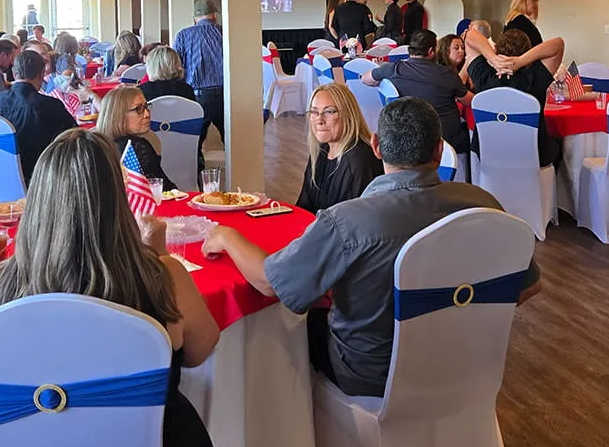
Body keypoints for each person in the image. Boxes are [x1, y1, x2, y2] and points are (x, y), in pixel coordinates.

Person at [203, 97, 539, 398]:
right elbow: (529, 285)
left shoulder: (348, 221)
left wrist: (227, 236)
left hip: (372, 375)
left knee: (288, 326)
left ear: (376, 147)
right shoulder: (485, 205)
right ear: (439, 150)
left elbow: (269, 282)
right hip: (465, 362)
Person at [0, 129, 217, 447]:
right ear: (118, 200)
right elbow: (201, 349)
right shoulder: (163, 277)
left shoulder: (0, 284)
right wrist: (158, 258)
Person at [464, 26, 565, 168]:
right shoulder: (534, 78)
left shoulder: (484, 76)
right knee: (558, 145)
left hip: (490, 155)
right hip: (533, 156)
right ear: (529, 51)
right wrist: (521, 61)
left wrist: (493, 59)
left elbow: (469, 36)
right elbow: (558, 44)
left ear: (497, 49)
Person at [368, 29, 469, 155]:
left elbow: (365, 79)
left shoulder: (394, 69)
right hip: (446, 142)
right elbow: (470, 101)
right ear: (431, 51)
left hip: (408, 141)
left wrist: (384, 84)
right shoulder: (447, 74)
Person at [0, 49, 77, 183]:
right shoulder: (50, 105)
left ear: (14, 73)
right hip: (45, 177)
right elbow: (74, 137)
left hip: (4, 175)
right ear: (42, 74)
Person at [296, 84, 382, 213]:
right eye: (314, 112)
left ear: (348, 115)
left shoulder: (360, 159)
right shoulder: (322, 151)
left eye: (329, 111)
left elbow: (353, 222)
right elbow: (304, 206)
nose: (319, 120)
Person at [96, 87, 178, 190]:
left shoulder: (99, 145)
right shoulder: (137, 147)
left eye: (146, 107)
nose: (147, 114)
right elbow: (165, 191)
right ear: (119, 115)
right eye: (138, 109)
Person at [173, 0, 224, 155]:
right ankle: (239, 177)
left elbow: (176, 66)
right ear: (214, 16)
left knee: (194, 144)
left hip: (197, 96)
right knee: (233, 141)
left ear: (195, 18)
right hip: (226, 94)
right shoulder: (225, 32)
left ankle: (196, 175)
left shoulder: (183, 35)